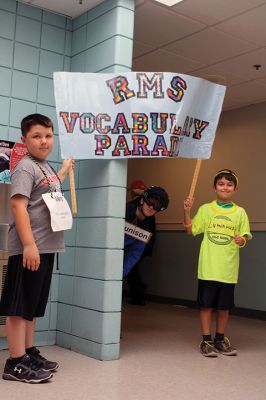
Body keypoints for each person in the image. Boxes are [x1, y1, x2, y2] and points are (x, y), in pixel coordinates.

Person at [0, 114, 73, 383]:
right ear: (24, 139)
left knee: (31, 306)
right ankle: (15, 363)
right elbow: (18, 205)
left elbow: (48, 195)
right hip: (29, 248)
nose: (44, 141)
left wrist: (64, 171)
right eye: (36, 136)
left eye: (48, 136)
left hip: (46, 247)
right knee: (19, 308)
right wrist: (29, 244)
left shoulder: (45, 167)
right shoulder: (24, 167)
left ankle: (28, 352)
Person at [183, 169, 252, 357]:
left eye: (229, 184)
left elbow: (245, 235)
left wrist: (242, 240)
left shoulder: (240, 212)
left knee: (224, 307)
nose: (225, 187)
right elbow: (190, 230)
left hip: (228, 269)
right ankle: (206, 340)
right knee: (206, 305)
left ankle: (220, 340)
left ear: (235, 189)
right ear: (215, 187)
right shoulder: (206, 209)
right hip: (208, 267)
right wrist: (187, 211)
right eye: (221, 184)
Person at [124, 186, 169, 304]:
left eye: (157, 206)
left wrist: (119, 276)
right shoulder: (124, 211)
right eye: (151, 202)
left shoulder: (146, 228)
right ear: (143, 200)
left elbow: (134, 255)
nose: (152, 207)